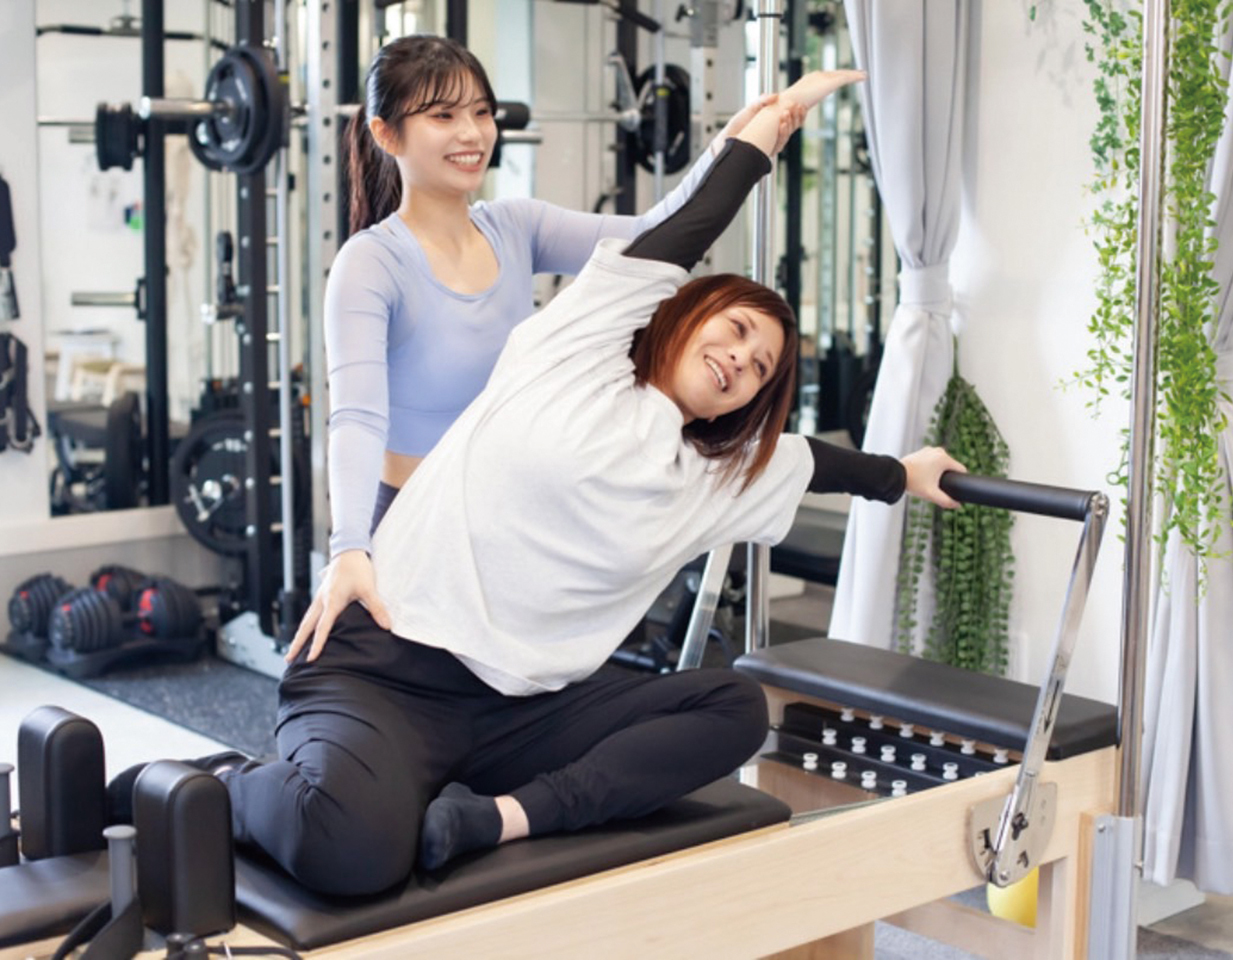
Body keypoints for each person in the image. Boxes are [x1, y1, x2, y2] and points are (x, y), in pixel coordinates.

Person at [110, 69, 965, 898]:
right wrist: (762, 136)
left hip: (522, 714)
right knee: (350, 853)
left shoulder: (725, 473)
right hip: (390, 669)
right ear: (686, 310)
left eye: (762, 366)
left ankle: (505, 818)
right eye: (736, 329)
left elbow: (827, 465)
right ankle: (217, 785)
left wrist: (908, 474)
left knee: (736, 709)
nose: (741, 359)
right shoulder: (579, 349)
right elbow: (677, 231)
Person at [308, 35, 784, 652]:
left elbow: (651, 237)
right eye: (443, 116)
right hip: (411, 520)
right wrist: (349, 546)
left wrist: (729, 148)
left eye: (482, 112)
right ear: (386, 134)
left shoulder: (516, 226)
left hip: (508, 516)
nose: (472, 133)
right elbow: (357, 416)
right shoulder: (371, 262)